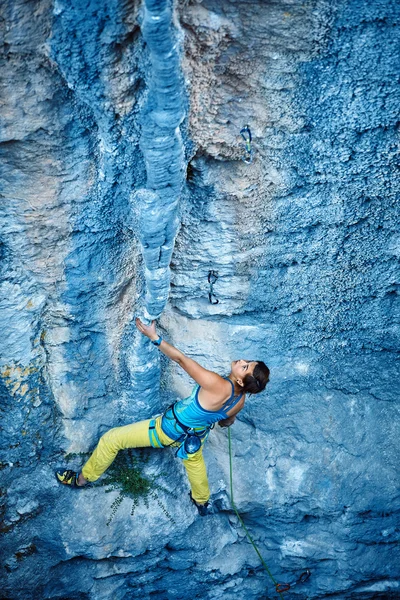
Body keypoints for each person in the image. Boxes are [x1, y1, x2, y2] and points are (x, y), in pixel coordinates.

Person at [56, 318, 270, 516]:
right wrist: (221, 419)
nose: (242, 360)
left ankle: (81, 480)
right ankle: (202, 502)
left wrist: (154, 337)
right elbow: (226, 421)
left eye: (245, 366)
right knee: (194, 462)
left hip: (166, 430)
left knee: (112, 439)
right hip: (195, 437)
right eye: (247, 361)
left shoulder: (218, 384)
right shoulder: (239, 400)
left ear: (242, 381)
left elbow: (181, 360)